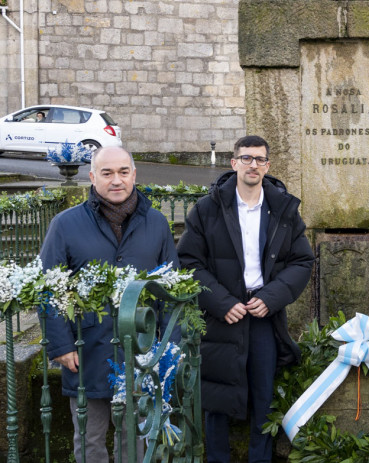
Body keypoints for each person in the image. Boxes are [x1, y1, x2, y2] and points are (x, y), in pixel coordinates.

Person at [177, 135, 314, 463]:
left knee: (263, 396)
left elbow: (302, 261)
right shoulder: (208, 209)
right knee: (217, 397)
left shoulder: (283, 210)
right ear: (233, 162)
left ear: (268, 166)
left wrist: (272, 296)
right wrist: (221, 302)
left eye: (260, 159)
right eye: (247, 158)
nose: (253, 165)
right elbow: (187, 262)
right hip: (223, 314)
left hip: (264, 313)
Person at [40, 146, 179, 462]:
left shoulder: (156, 223)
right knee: (89, 440)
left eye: (123, 172)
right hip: (86, 349)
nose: (116, 180)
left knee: (136, 439)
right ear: (92, 177)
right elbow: (47, 288)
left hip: (142, 353)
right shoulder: (65, 224)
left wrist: (168, 348)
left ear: (134, 175)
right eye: (107, 173)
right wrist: (61, 346)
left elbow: (172, 289)